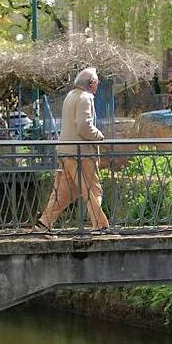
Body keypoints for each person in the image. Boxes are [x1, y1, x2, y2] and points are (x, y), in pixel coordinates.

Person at [33, 67, 110, 232]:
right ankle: (100, 226)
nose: (98, 85)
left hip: (66, 152)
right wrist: (99, 136)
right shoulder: (85, 97)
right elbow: (83, 126)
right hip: (81, 154)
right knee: (93, 190)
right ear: (91, 84)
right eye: (97, 82)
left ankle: (44, 224)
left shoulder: (71, 96)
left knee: (63, 192)